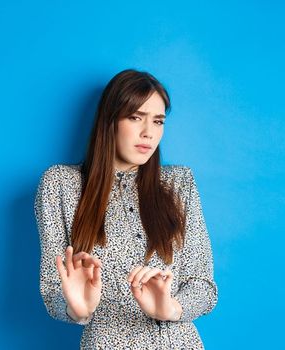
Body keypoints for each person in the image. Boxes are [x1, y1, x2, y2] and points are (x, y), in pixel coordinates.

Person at [34, 68, 218, 348]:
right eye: (135, 118)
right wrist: (77, 308)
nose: (149, 133)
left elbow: (203, 286)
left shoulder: (179, 183)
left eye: (158, 121)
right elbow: (53, 290)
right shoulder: (61, 185)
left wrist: (169, 308)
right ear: (109, 121)